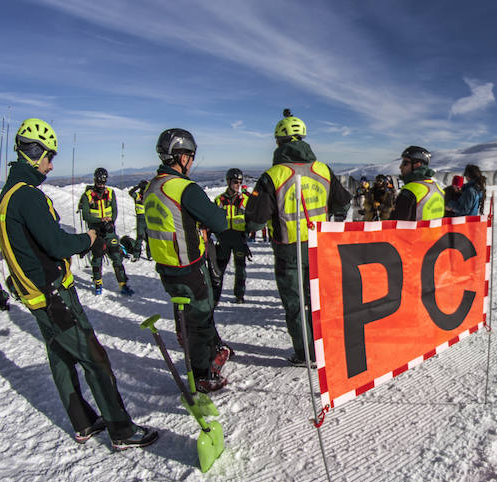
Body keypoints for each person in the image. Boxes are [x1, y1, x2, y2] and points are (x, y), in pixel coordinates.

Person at [0, 117, 157, 449]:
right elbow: (56, 244)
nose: (51, 165)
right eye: (49, 156)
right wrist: (89, 238)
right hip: (54, 295)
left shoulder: (8, 196)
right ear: (33, 152)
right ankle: (121, 430)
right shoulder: (27, 196)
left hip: (36, 296)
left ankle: (83, 422)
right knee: (95, 358)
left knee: (60, 357)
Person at [244, 109, 351, 366]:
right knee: (318, 299)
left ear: (279, 143)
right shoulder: (323, 170)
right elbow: (343, 203)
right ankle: (325, 348)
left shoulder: (273, 176)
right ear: (303, 139)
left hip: (289, 251)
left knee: (296, 304)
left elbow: (255, 220)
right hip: (319, 246)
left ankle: (306, 354)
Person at [144, 128, 233, 393]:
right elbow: (218, 221)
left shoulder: (153, 187)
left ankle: (205, 349)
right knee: (201, 319)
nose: (192, 162)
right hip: (189, 267)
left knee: (188, 315)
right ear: (181, 156)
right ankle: (203, 374)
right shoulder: (184, 188)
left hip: (167, 266)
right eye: (191, 156)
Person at [79, 167, 133, 296]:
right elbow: (86, 215)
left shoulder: (110, 193)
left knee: (116, 256)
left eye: (103, 182)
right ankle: (98, 283)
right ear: (95, 180)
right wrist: (100, 221)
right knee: (97, 259)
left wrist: (110, 221)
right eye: (99, 182)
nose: (101, 185)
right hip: (96, 232)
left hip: (109, 230)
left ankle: (123, 284)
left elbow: (114, 210)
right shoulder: (87, 196)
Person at [212, 168, 250, 306]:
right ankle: (215, 297)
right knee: (218, 270)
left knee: (240, 269)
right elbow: (212, 219)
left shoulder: (245, 200)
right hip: (224, 239)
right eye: (235, 182)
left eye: (240, 182)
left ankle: (239, 294)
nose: (237, 185)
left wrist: (249, 231)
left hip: (239, 238)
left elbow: (252, 218)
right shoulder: (219, 200)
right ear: (228, 182)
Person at [388, 146, 445, 221]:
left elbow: (397, 225)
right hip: (436, 232)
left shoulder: (410, 191)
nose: (400, 167)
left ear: (417, 165)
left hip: (413, 233)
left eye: (405, 163)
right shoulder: (438, 189)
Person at [127, 180, 150, 261]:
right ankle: (137, 255)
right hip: (140, 218)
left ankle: (150, 255)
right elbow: (130, 192)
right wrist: (137, 186)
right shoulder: (137, 195)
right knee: (140, 237)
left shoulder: (148, 196)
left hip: (147, 218)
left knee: (148, 237)